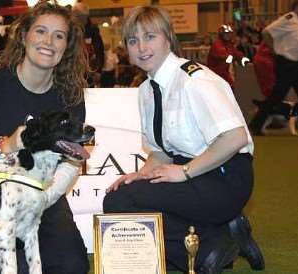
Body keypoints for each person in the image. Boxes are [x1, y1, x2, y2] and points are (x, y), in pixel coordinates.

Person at [102, 6, 264, 274]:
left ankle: (209, 249)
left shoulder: (195, 79)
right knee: (120, 196)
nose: (141, 47)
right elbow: (162, 152)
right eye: (133, 40)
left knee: (123, 203)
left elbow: (235, 138)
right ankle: (224, 230)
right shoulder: (144, 91)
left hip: (225, 175)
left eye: (150, 36)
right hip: (189, 174)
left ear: (168, 38)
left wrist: (185, 172)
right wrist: (140, 175)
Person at [0, 2, 89, 274]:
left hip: (41, 194)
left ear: (67, 47)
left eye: (59, 35)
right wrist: (6, 146)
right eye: (40, 31)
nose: (49, 41)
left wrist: (43, 198)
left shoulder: (70, 95)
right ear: (24, 36)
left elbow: (71, 162)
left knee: (72, 266)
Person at [249, 0, 298, 136]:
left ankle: (256, 125)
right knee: (276, 97)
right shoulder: (288, 19)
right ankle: (255, 125)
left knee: (276, 97)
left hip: (296, 64)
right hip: (287, 63)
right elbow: (266, 32)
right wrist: (274, 50)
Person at [72, 1, 104, 87]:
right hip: (71, 72)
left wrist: (98, 71)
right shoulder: (69, 30)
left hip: (89, 72)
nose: (80, 19)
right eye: (77, 16)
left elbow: (100, 51)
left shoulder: (93, 31)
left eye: (83, 17)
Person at [207, 24, 247, 89]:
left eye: (230, 34)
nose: (229, 35)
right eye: (226, 34)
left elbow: (235, 52)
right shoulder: (217, 44)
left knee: (230, 87)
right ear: (221, 34)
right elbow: (225, 56)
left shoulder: (228, 44)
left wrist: (242, 58)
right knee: (227, 88)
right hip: (217, 73)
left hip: (224, 72)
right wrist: (234, 58)